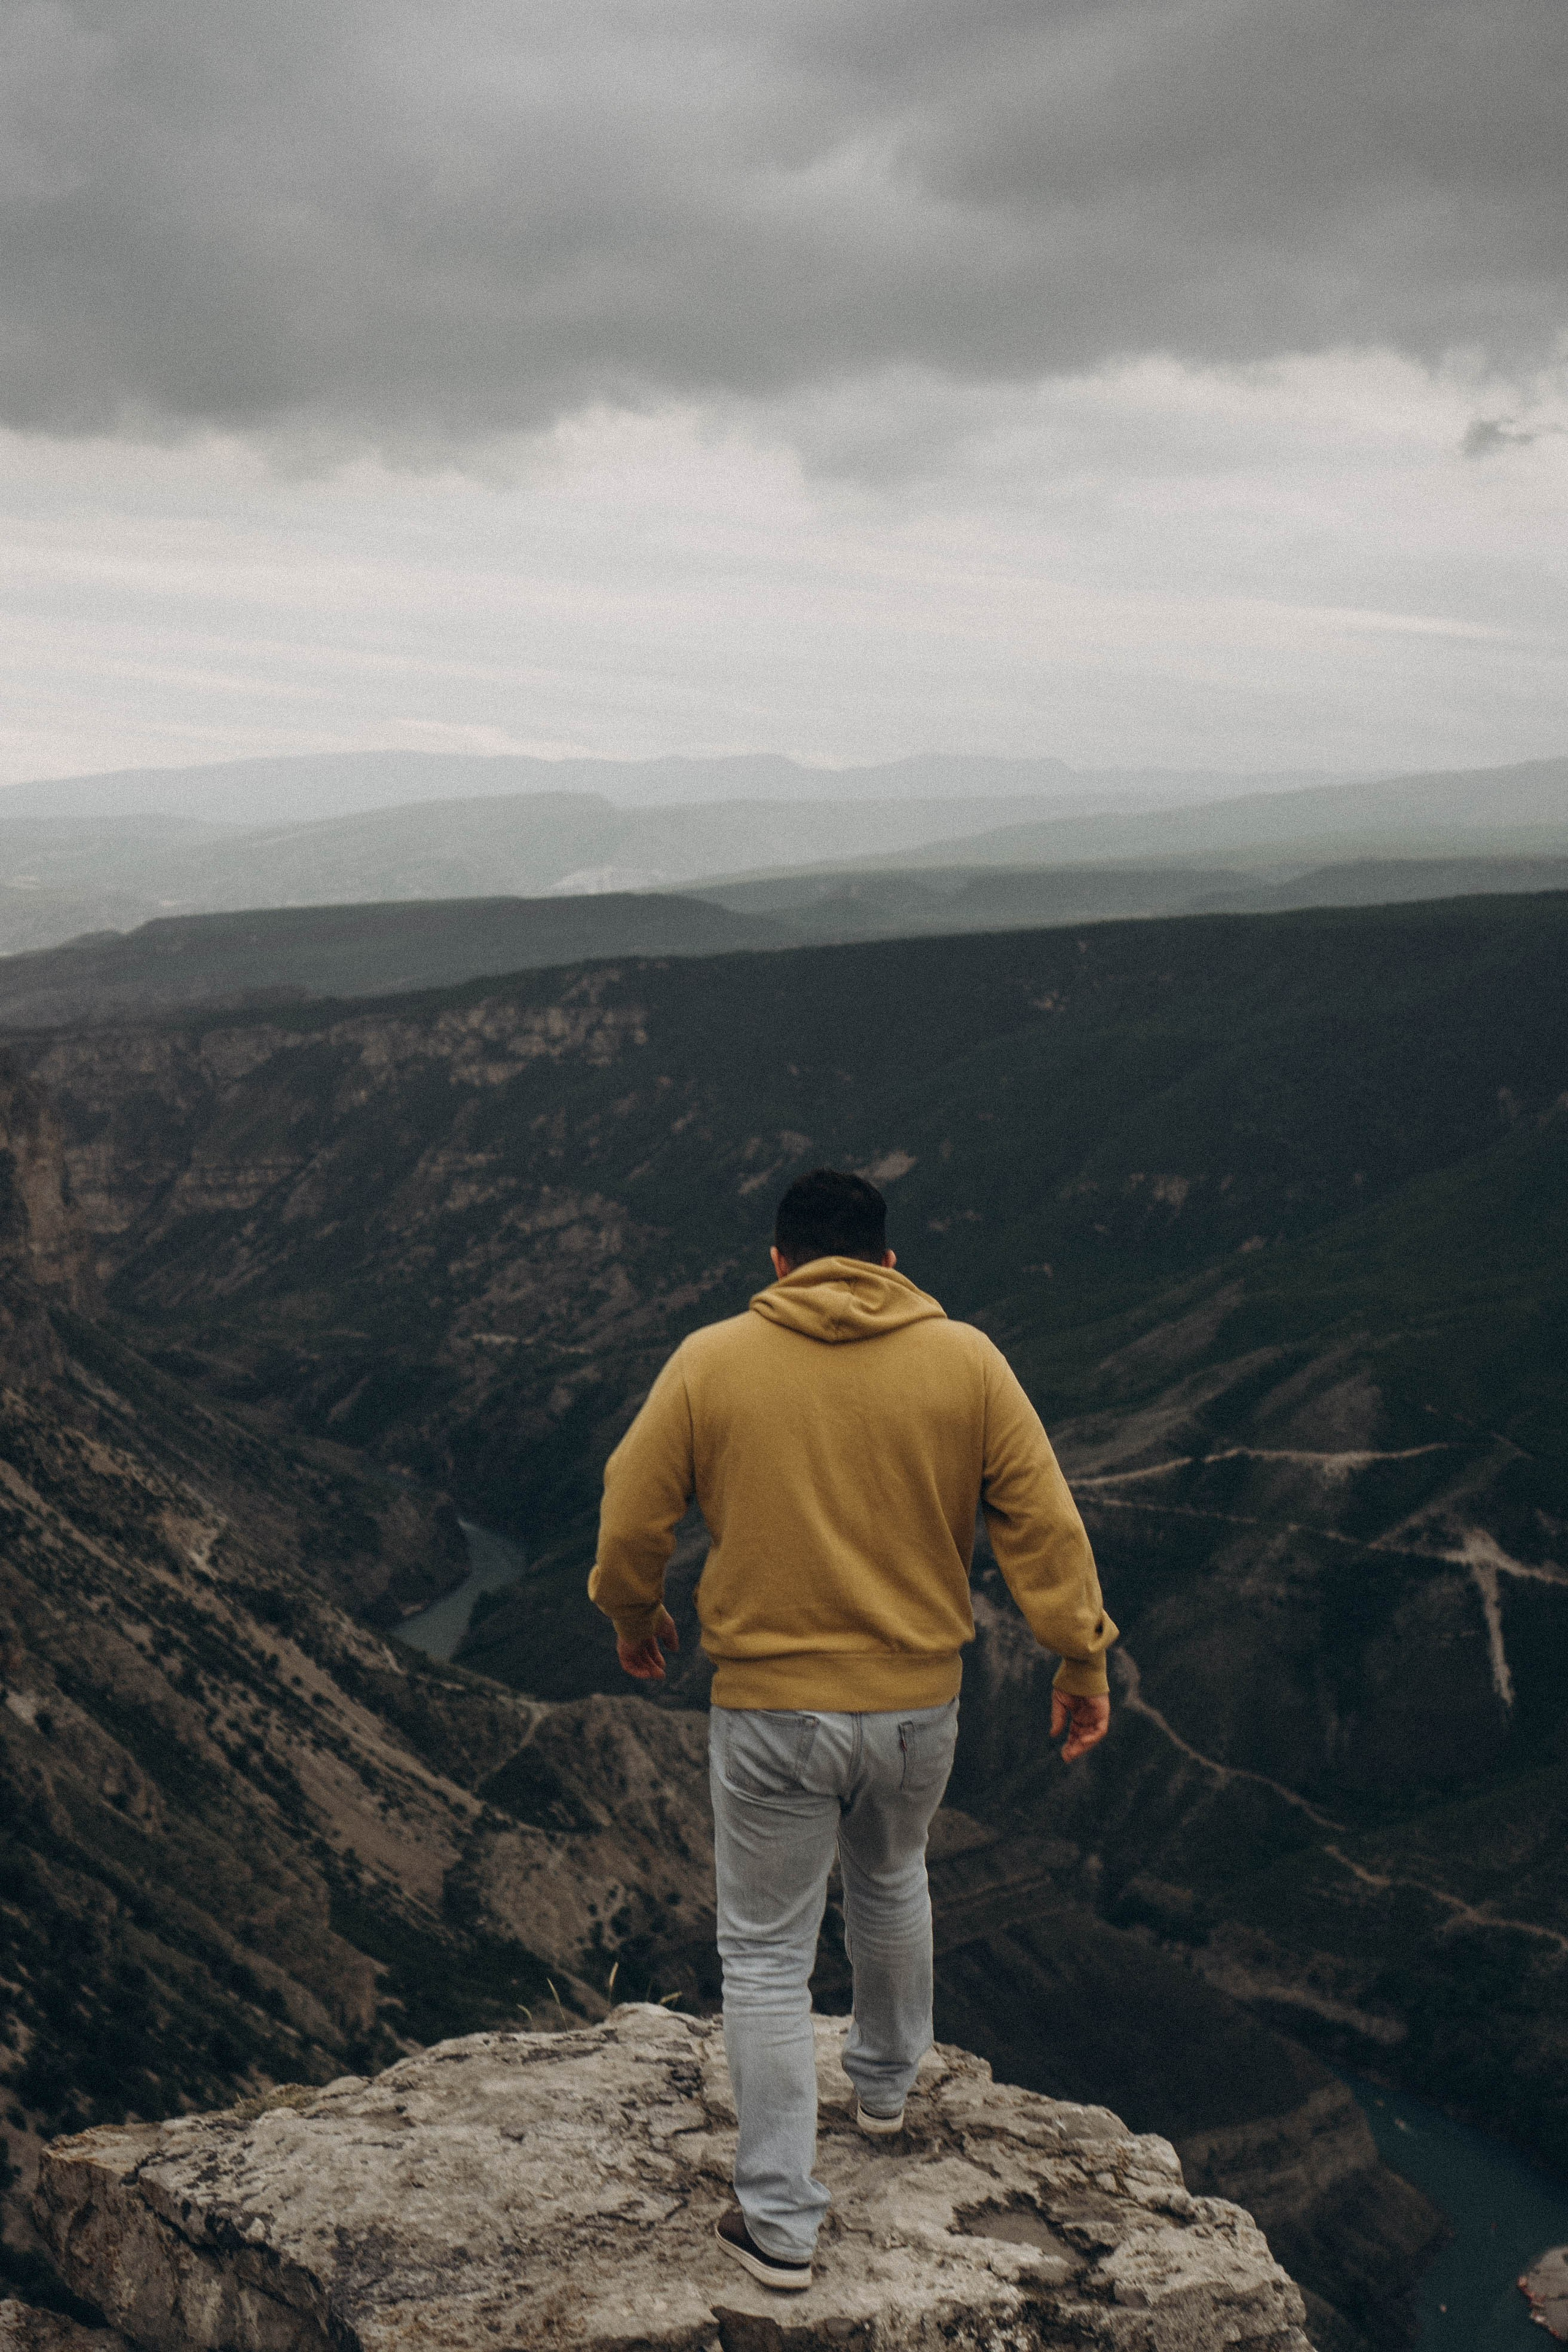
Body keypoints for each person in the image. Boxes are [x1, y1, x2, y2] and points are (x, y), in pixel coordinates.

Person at [588, 1167, 1115, 2293]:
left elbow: (631, 1506)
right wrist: (1080, 1651)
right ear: (887, 1263)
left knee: (769, 1955)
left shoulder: (711, 1360)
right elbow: (1044, 1519)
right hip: (919, 1706)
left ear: (778, 1264)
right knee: (892, 1878)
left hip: (773, 1710)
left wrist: (636, 1612)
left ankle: (780, 2222)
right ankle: (884, 2092)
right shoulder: (968, 1359)